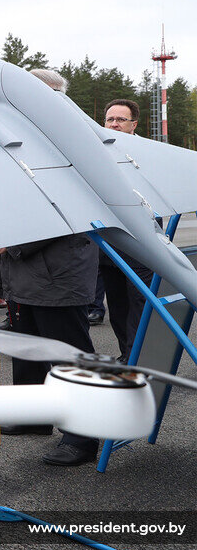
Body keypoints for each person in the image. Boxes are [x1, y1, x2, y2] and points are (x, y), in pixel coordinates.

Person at [0, 234, 100, 465]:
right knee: (26, 349)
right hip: (26, 273)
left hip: (58, 272)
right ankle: (32, 414)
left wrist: (12, 242)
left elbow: (58, 218)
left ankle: (82, 436)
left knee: (68, 357)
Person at [98, 98, 155, 361]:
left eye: (120, 120)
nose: (114, 124)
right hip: (109, 241)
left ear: (134, 125)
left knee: (140, 303)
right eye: (110, 119)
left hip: (141, 242)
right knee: (117, 305)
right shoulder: (96, 152)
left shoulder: (149, 153)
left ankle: (138, 358)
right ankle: (127, 355)